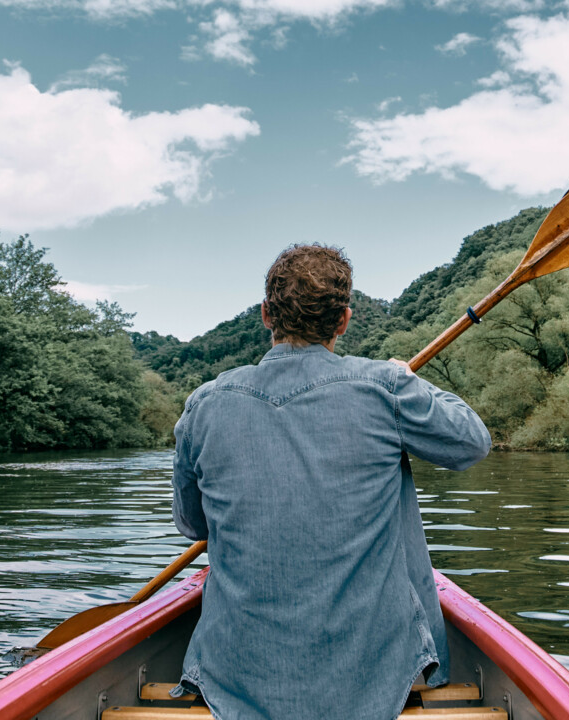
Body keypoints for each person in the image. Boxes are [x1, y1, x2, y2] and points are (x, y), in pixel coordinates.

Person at [169, 244, 491, 720]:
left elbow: (192, 525)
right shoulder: (387, 387)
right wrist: (408, 378)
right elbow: (472, 441)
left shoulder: (203, 405)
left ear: (264, 314)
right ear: (343, 320)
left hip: (236, 674)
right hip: (376, 675)